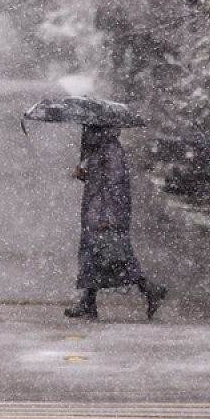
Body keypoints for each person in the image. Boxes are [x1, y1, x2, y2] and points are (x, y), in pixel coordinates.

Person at [65, 125, 168, 320]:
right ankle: (88, 302)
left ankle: (150, 289)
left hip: (105, 215)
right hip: (96, 212)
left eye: (88, 128)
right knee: (96, 259)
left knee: (114, 258)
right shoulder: (100, 149)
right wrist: (83, 175)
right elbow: (100, 181)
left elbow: (115, 186)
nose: (85, 131)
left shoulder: (111, 150)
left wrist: (108, 216)